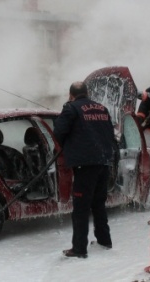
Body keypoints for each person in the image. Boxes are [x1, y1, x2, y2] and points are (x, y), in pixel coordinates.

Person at [53, 81, 116, 258]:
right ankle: (105, 240)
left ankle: (79, 249)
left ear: (70, 94)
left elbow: (58, 133)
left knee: (80, 209)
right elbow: (110, 133)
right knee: (99, 204)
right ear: (87, 93)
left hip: (85, 165)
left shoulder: (71, 108)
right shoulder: (102, 108)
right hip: (104, 163)